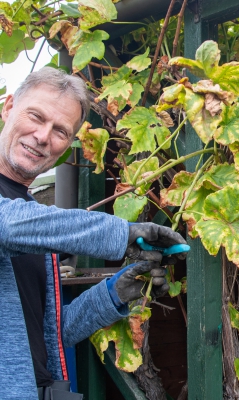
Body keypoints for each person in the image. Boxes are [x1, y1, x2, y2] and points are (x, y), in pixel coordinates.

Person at [0, 67, 187, 400]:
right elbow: (9, 225)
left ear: (69, 144)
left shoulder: (30, 216)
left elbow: (51, 335)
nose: (43, 136)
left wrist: (115, 292)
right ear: (8, 107)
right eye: (36, 116)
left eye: (60, 130)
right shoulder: (22, 221)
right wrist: (124, 233)